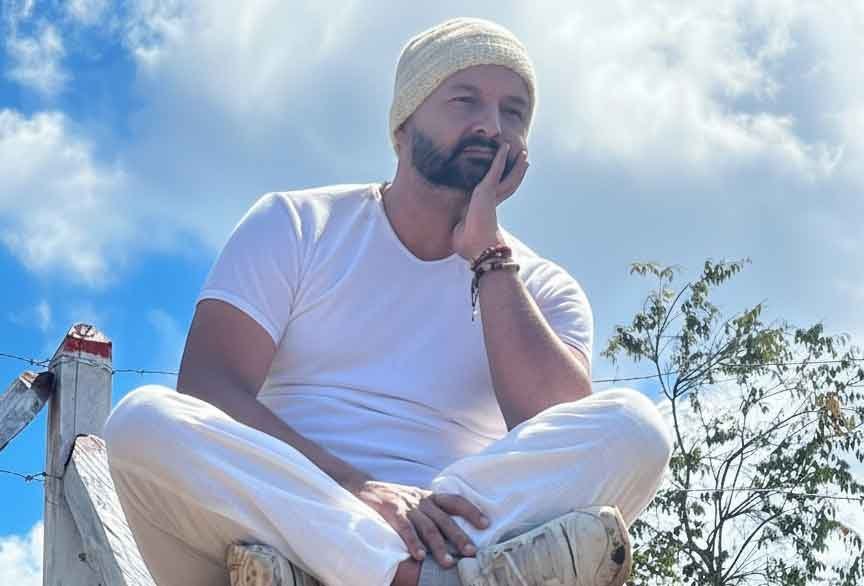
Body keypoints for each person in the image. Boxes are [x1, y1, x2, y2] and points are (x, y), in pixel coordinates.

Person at [103, 16, 672, 586]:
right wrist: (355, 489)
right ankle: (408, 576)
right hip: (285, 522)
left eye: (513, 112)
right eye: (465, 100)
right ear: (403, 125)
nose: (491, 125)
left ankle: (415, 571)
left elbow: (552, 426)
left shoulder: (543, 288)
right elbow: (209, 387)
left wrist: (489, 257)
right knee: (143, 421)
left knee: (636, 426)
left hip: (461, 535)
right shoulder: (297, 223)